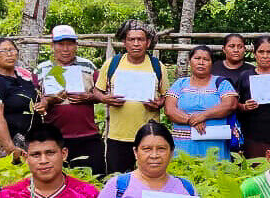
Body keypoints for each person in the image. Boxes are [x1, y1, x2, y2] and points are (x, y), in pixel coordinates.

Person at [95, 20, 168, 173]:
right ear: (124, 42)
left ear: (148, 43)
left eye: (140, 39)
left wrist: (159, 103)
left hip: (148, 136)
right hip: (117, 136)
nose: (136, 44)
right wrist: (105, 99)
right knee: (117, 178)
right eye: (131, 39)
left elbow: (165, 96)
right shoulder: (112, 64)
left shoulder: (157, 66)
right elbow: (97, 91)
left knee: (149, 177)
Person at [35, 25, 104, 174]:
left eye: (70, 44)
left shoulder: (88, 66)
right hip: (55, 138)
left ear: (76, 45)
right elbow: (36, 101)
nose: (65, 49)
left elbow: (102, 94)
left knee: (94, 177)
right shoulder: (42, 69)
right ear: (52, 46)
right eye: (61, 44)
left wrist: (88, 97)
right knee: (59, 178)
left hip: (88, 135)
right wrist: (47, 101)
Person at [164, 45, 238, 160]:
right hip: (184, 146)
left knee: (215, 169)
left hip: (214, 145)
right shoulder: (180, 84)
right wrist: (191, 120)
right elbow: (169, 110)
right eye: (197, 58)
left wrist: (203, 116)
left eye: (206, 59)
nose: (201, 62)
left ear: (211, 63)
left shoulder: (221, 83)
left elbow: (230, 105)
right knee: (183, 169)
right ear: (190, 61)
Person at [0, 38, 40, 156]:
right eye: (3, 51)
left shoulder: (24, 78)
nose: (9, 54)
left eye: (12, 50)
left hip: (27, 140)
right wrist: (10, 148)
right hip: (1, 143)